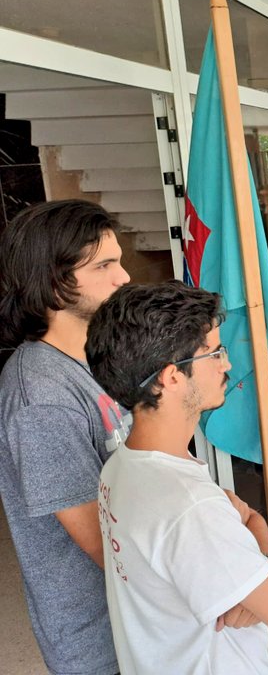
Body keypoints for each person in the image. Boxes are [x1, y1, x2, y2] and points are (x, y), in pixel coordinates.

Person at [84, 282, 268, 673]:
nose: (228, 364)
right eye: (214, 353)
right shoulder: (190, 506)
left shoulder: (121, 463)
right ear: (171, 377)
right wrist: (257, 530)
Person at [0, 200, 130, 675]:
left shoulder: (98, 361)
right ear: (53, 281)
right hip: (100, 640)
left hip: (138, 621)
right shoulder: (41, 397)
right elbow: (103, 542)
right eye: (104, 265)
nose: (124, 277)